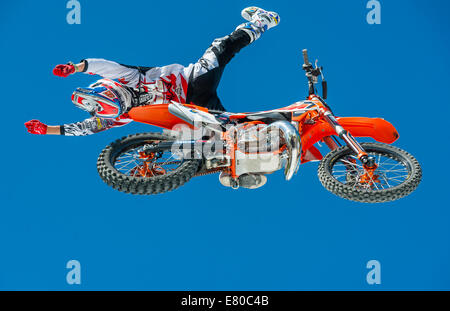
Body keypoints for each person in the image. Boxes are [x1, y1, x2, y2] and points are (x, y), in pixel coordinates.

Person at [25, 6, 280, 189]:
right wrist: (47, 130)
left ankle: (262, 21)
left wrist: (76, 67)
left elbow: (103, 66)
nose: (124, 106)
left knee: (220, 50)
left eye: (118, 101)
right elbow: (87, 127)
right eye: (118, 108)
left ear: (108, 90)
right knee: (227, 129)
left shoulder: (126, 78)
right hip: (194, 109)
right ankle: (243, 167)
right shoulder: (120, 116)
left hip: (191, 81)